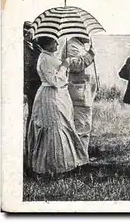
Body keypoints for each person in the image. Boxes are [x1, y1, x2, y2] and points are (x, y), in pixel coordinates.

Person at [25, 36, 89, 176]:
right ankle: (54, 166)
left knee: (63, 124)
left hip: (58, 94)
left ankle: (66, 163)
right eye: (53, 42)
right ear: (46, 44)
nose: (57, 44)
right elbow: (53, 80)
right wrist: (64, 66)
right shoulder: (44, 58)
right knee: (55, 127)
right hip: (50, 95)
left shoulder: (49, 56)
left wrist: (63, 65)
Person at [58, 37, 98, 157]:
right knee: (81, 125)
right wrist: (90, 54)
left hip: (83, 92)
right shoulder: (72, 46)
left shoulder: (78, 45)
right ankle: (79, 159)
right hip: (79, 93)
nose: (88, 35)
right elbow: (75, 65)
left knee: (84, 124)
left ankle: (81, 156)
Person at [23, 21, 42, 138]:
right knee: (32, 115)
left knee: (36, 115)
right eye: (26, 31)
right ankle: (30, 146)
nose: (28, 34)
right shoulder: (23, 47)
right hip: (31, 86)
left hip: (37, 84)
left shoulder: (36, 46)